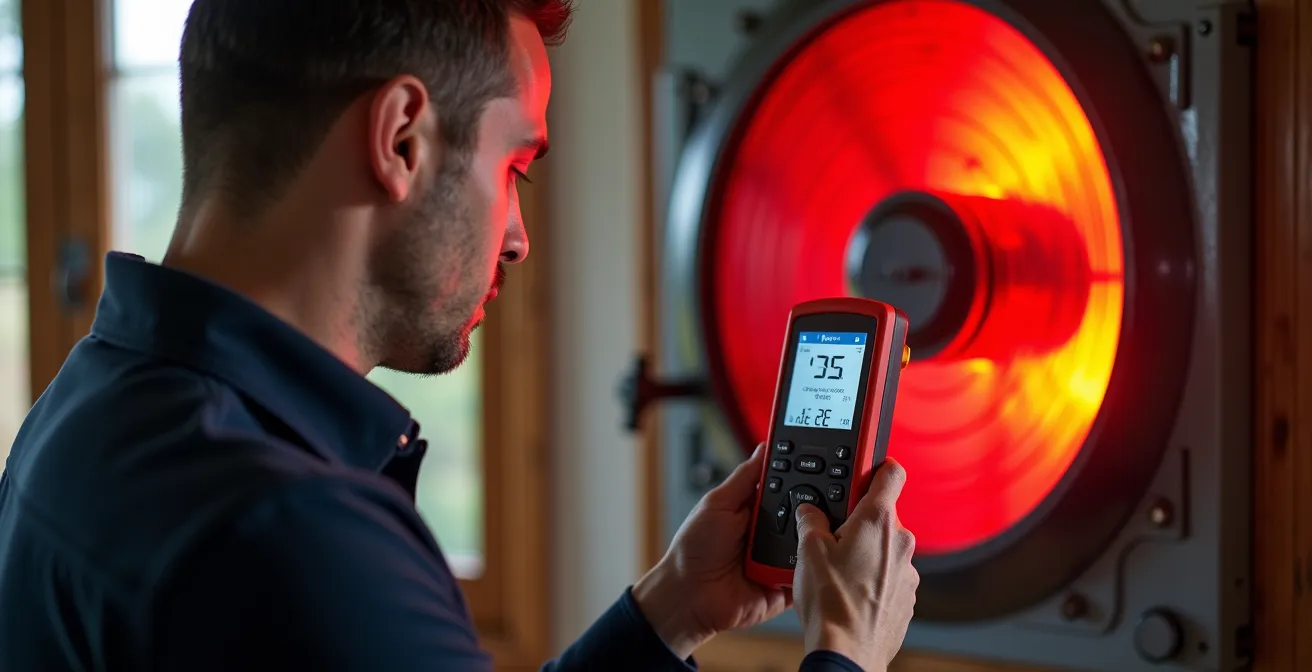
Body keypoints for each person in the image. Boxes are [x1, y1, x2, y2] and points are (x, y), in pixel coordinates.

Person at [0, 1, 919, 670]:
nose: (518, 234)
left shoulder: (86, 408)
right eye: (514, 164)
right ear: (402, 137)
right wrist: (843, 653)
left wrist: (672, 607)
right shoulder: (293, 534)